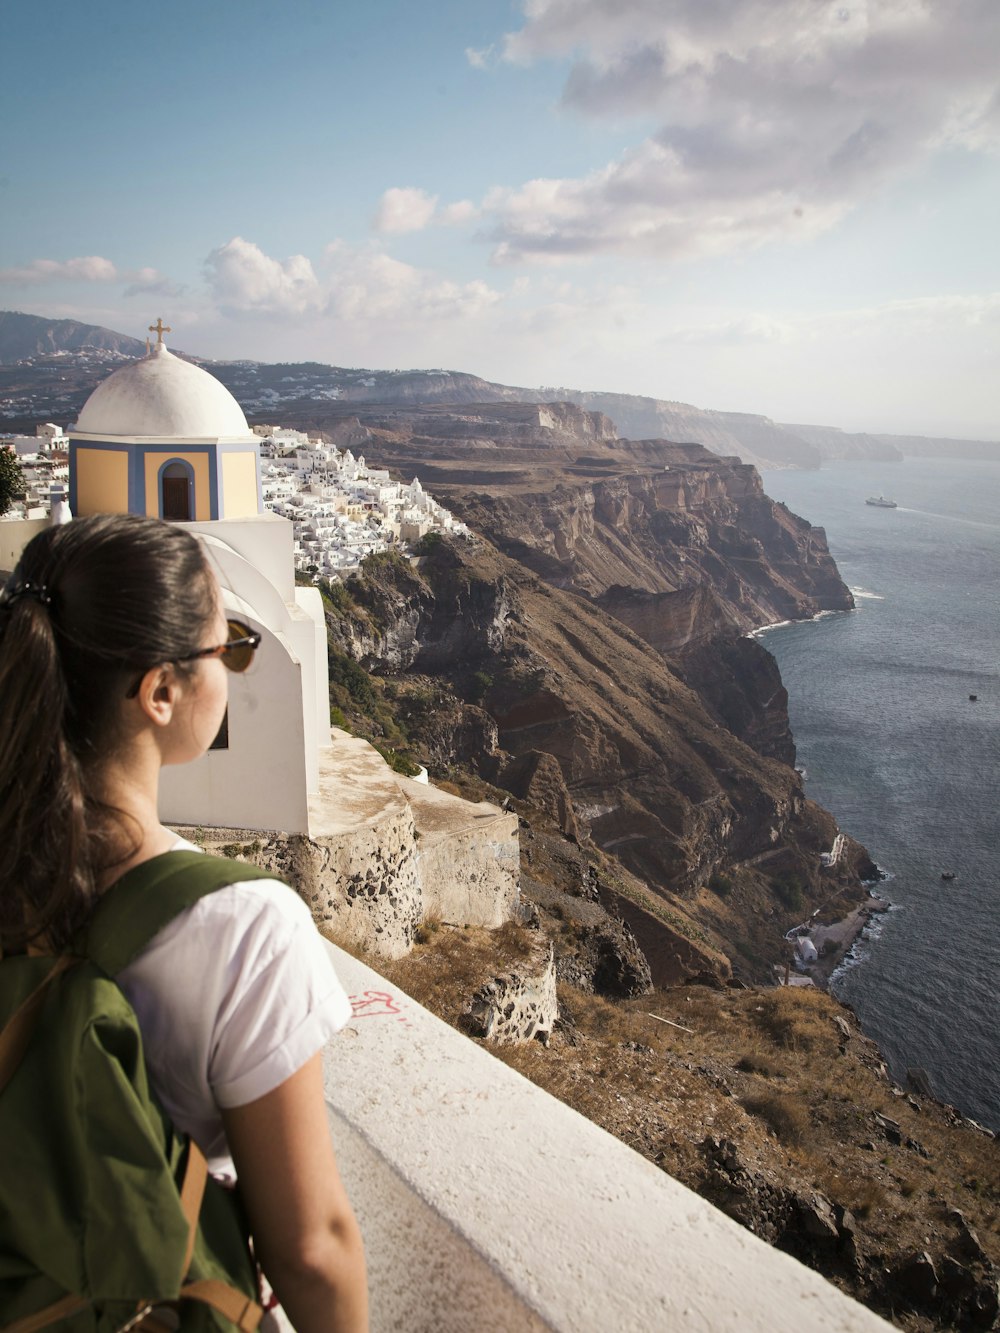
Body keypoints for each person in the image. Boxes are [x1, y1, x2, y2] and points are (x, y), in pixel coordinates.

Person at [0, 512, 368, 1333]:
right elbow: (311, 1249)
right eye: (229, 647)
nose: (236, 666)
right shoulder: (243, 926)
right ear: (161, 690)